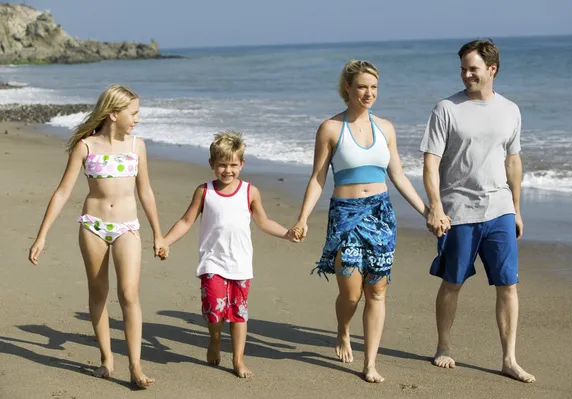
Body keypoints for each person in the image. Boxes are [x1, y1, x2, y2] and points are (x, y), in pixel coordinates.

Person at [290, 60, 432, 383]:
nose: (369, 93)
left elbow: (397, 175)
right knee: (352, 293)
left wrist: (427, 210)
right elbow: (317, 179)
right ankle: (343, 329)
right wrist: (303, 218)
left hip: (381, 214)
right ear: (348, 89)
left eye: (374, 87)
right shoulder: (330, 128)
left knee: (377, 291)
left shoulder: (386, 128)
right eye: (362, 87)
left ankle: (370, 363)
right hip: (345, 214)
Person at [28, 85, 163, 388]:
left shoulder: (136, 146)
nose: (137, 119)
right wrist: (42, 236)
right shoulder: (85, 147)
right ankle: (106, 358)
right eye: (134, 113)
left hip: (127, 226)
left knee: (129, 293)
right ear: (114, 113)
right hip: (93, 226)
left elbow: (146, 192)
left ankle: (136, 366)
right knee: (98, 291)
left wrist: (158, 234)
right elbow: (63, 192)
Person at [420, 39, 535, 383]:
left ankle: (509, 359)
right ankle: (443, 346)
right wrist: (436, 207)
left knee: (508, 285)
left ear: (492, 69)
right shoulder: (446, 109)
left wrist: (516, 208)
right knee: (452, 283)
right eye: (463, 69)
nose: (467, 74)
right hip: (459, 211)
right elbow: (430, 162)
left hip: (499, 209)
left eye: (473, 68)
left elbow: (513, 160)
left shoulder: (510, 110)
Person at [157, 131, 292, 378]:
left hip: (240, 263)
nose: (227, 170)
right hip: (212, 261)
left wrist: (287, 233)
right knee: (213, 310)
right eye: (222, 165)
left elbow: (263, 222)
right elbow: (186, 221)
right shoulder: (204, 191)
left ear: (242, 164)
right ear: (212, 165)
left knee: (239, 314)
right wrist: (165, 241)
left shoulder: (250, 191)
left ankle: (238, 360)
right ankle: (215, 340)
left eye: (233, 165)